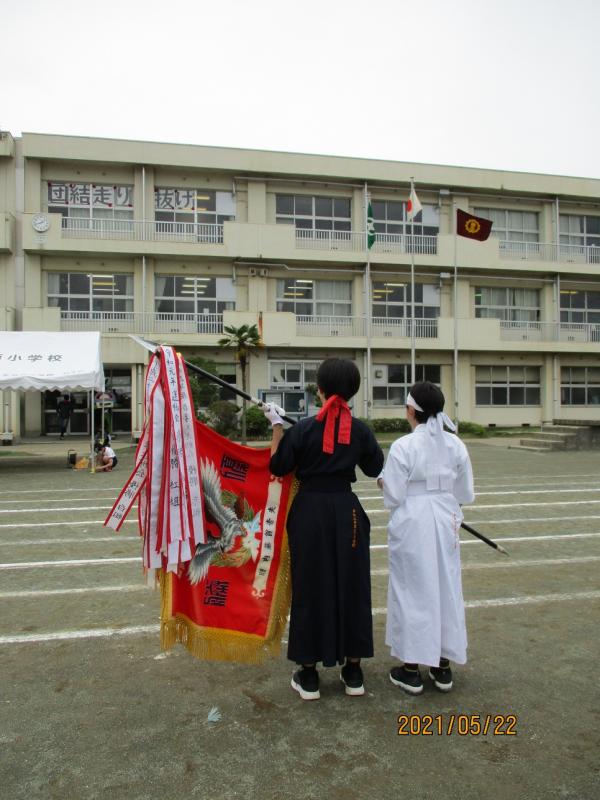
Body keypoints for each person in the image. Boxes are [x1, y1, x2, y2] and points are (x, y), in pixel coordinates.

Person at [263, 358, 384, 701]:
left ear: (320, 390)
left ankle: (308, 674)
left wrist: (277, 427)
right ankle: (354, 671)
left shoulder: (302, 429)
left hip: (309, 514)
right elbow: (375, 466)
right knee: (352, 586)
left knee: (310, 587)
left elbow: (278, 466)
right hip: (347, 512)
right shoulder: (360, 430)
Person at [379, 381, 475, 695]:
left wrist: (383, 481)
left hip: (413, 520)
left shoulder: (404, 446)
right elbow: (464, 493)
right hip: (445, 518)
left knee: (412, 589)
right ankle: (442, 666)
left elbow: (394, 494)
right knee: (446, 586)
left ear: (411, 410)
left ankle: (411, 670)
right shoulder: (455, 444)